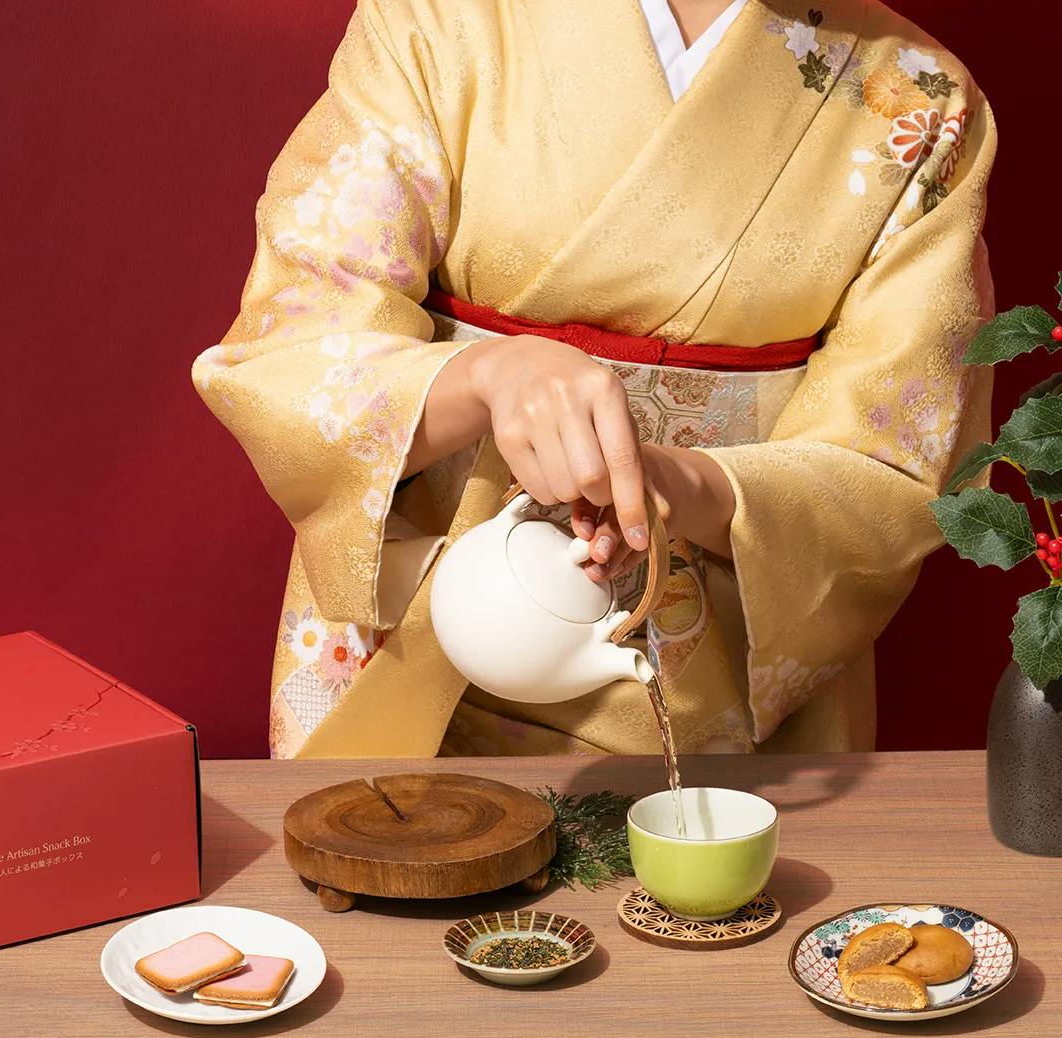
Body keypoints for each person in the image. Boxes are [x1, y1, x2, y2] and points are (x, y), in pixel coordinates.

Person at [192, 0, 995, 759]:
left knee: (713, 896)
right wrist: (486, 376)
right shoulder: (441, 17)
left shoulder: (919, 99)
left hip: (708, 675)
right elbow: (296, 332)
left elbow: (898, 463)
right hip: (420, 623)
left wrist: (685, 482)